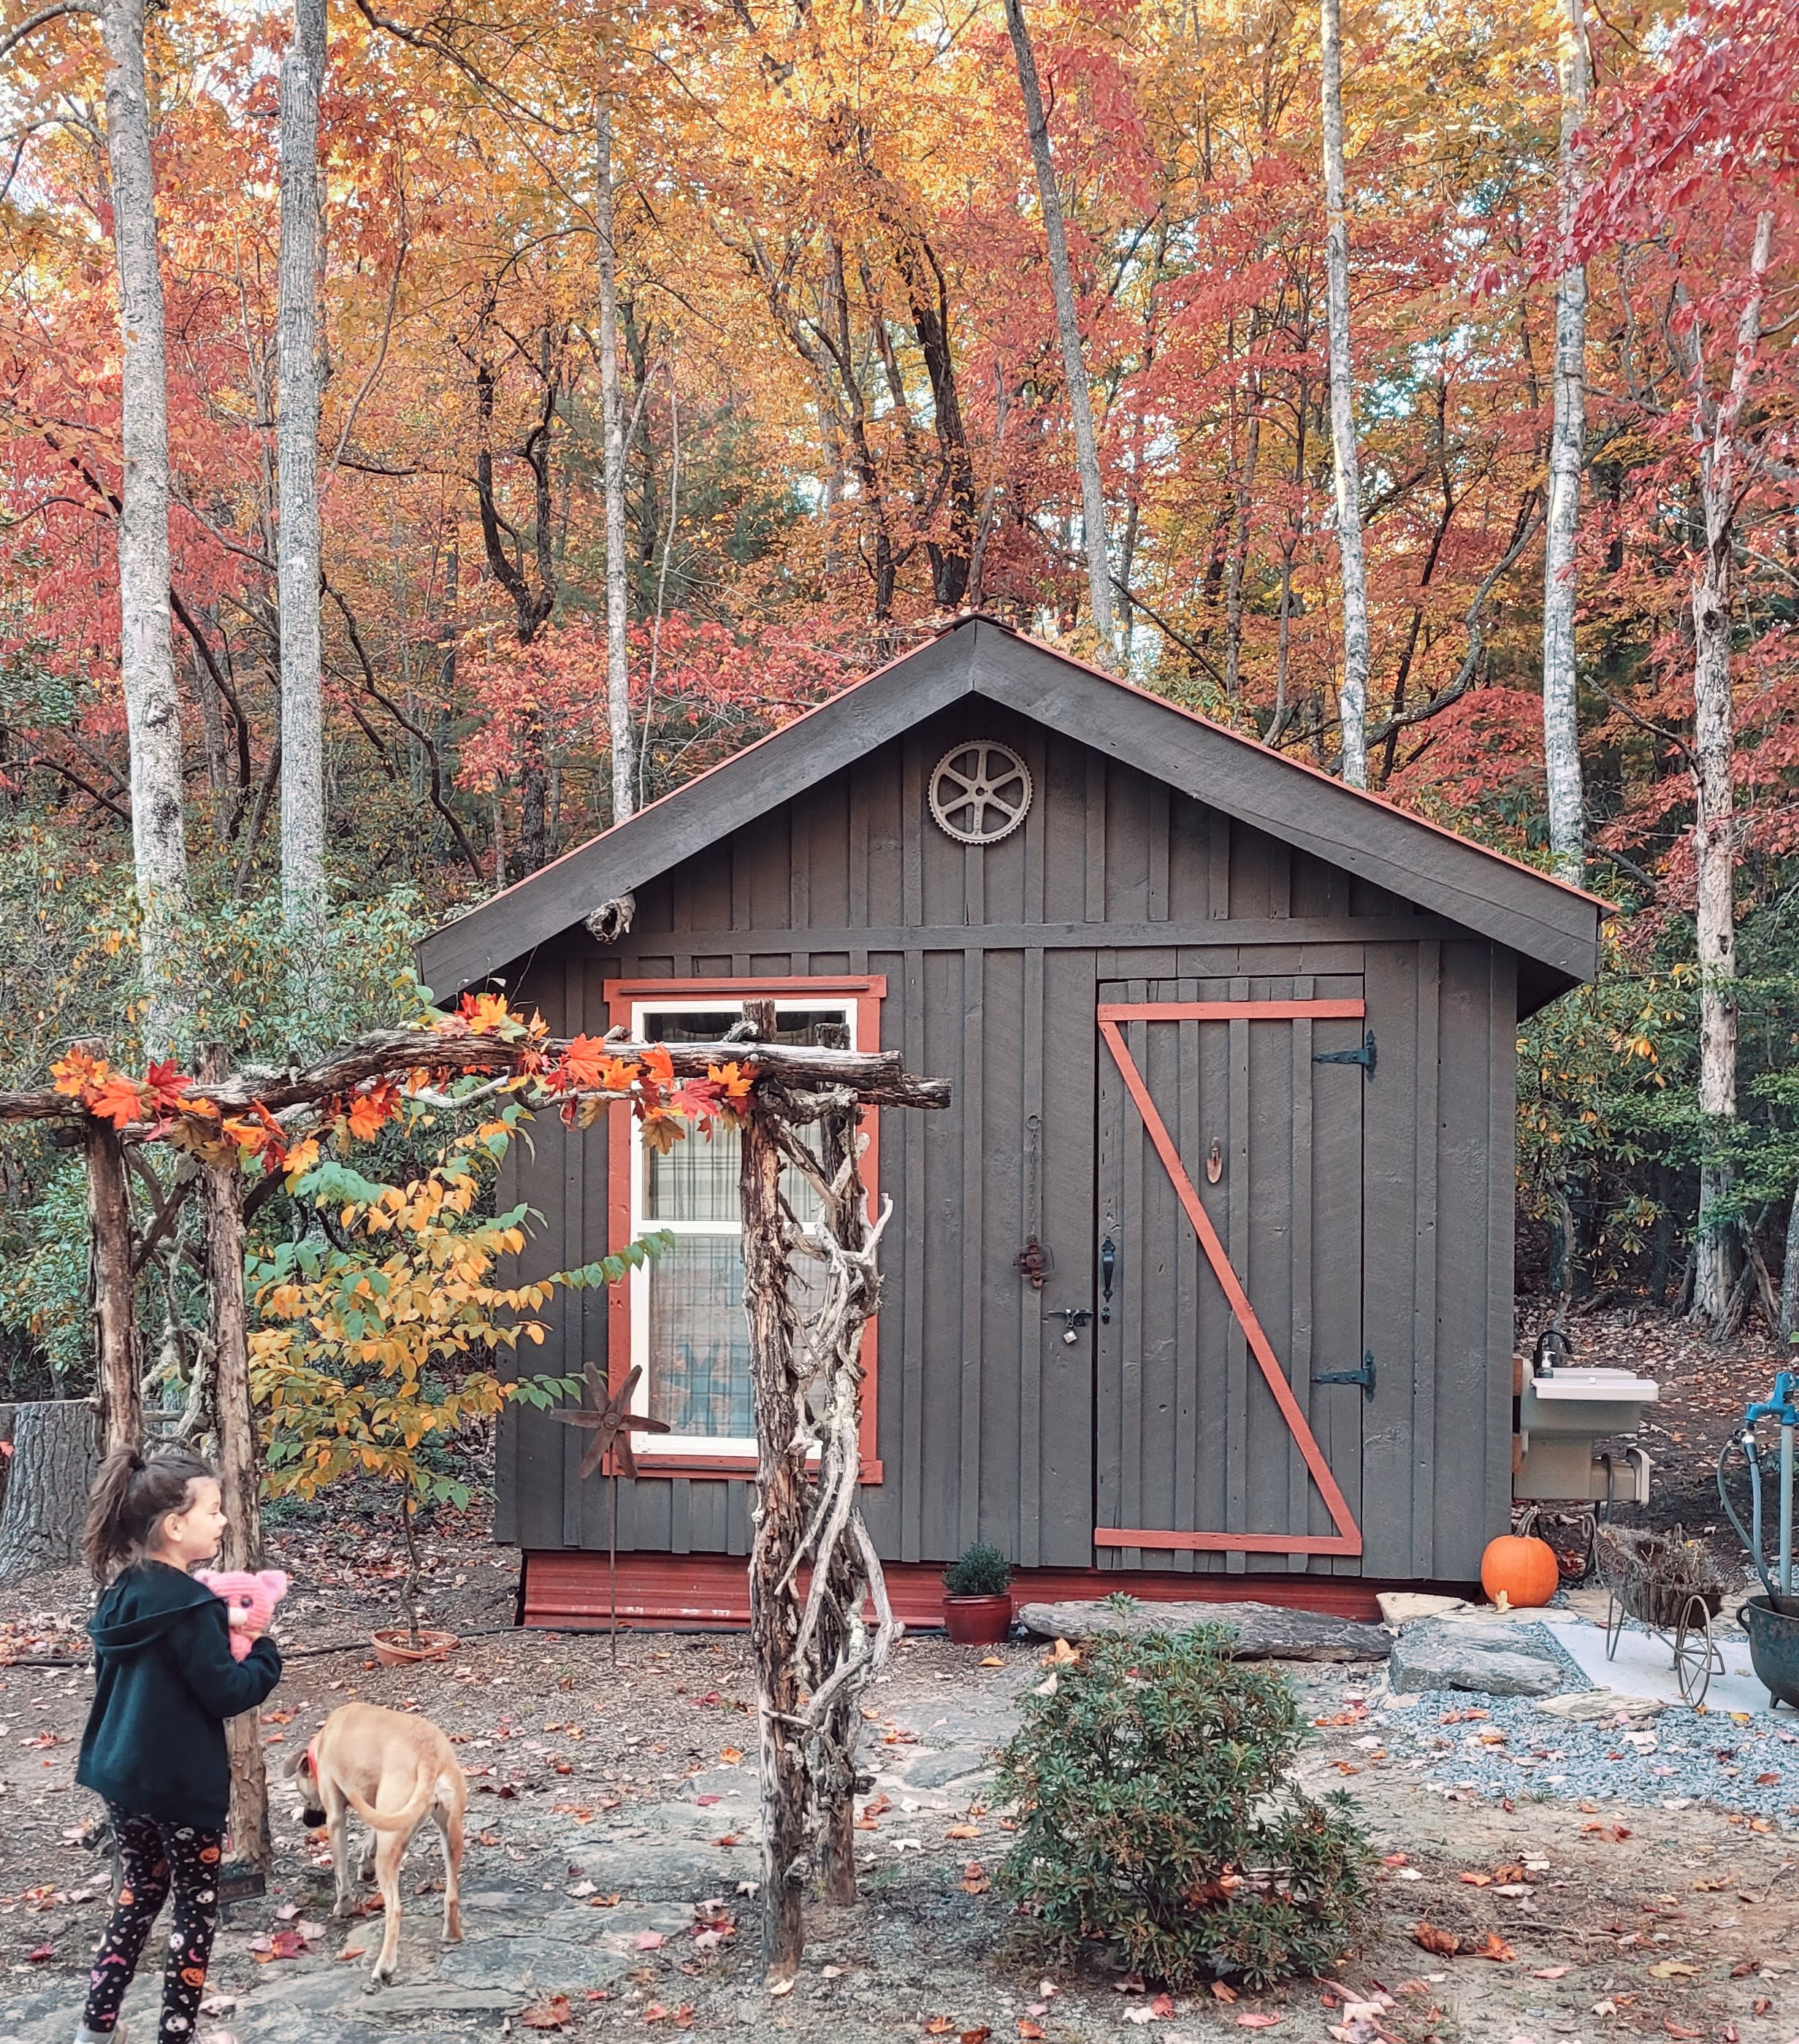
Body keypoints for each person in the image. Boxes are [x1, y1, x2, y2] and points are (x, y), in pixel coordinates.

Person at [72, 1450, 282, 2044]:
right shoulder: (194, 1607)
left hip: (121, 1775)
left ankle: (96, 2025)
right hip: (183, 1789)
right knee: (196, 1908)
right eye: (213, 1510)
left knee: (138, 1894)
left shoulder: (121, 1594)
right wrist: (264, 1650)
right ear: (173, 1524)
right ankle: (176, 2032)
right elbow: (226, 1692)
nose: (223, 1521)